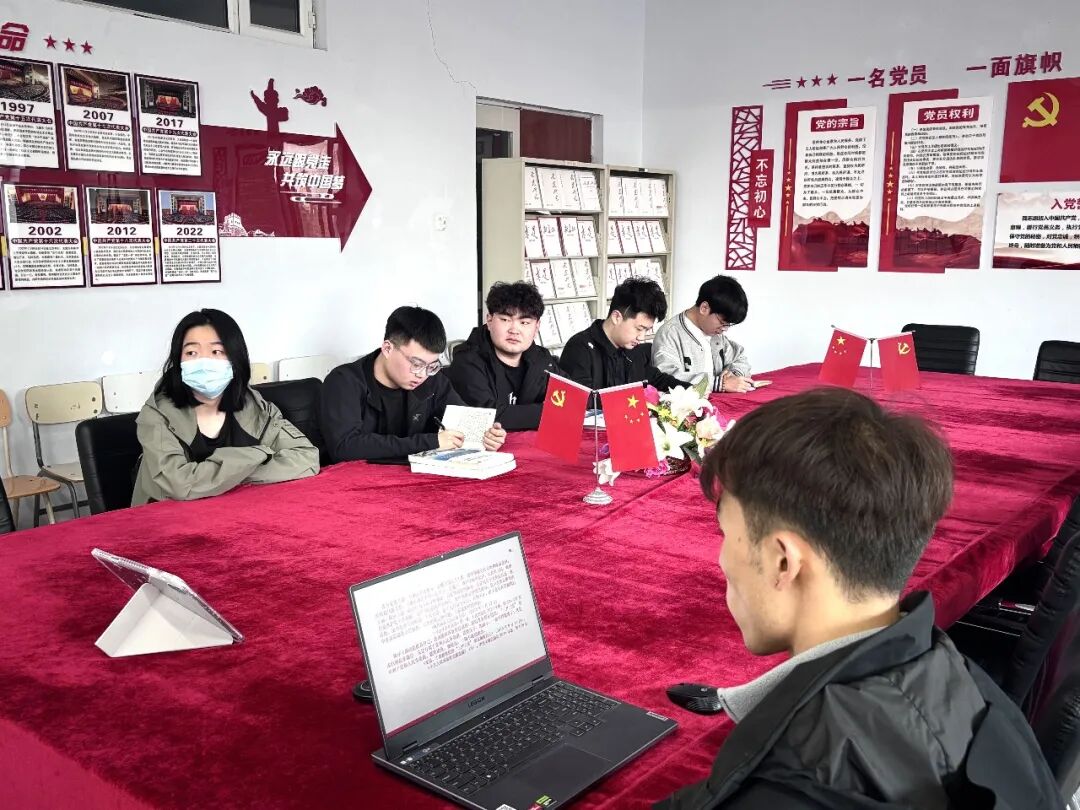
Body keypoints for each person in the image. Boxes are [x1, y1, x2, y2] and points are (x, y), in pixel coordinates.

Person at [658, 387, 1062, 809]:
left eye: (726, 535)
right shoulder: (966, 683)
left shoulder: (793, 780)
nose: (722, 560)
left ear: (784, 561)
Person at [132, 309, 319, 506]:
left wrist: (231, 476)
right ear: (178, 361)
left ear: (235, 359)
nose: (204, 363)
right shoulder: (157, 415)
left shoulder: (256, 407)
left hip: (237, 513)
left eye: (216, 352)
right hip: (168, 518)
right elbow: (180, 484)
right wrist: (255, 457)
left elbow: (306, 457)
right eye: (191, 353)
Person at [321, 306, 506, 462]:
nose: (422, 374)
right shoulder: (344, 382)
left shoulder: (432, 378)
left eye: (431, 366)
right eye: (416, 364)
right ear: (388, 348)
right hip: (354, 483)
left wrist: (486, 435)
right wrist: (431, 442)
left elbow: (463, 420)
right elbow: (345, 447)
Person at [445, 282, 561, 431]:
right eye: (505, 320)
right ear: (489, 320)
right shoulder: (467, 361)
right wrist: (551, 412)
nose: (514, 330)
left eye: (524, 322)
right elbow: (488, 416)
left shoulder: (541, 358)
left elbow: (575, 396)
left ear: (537, 326)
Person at [560, 277, 682, 392]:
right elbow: (582, 400)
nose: (641, 337)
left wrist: (691, 391)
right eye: (639, 328)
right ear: (616, 317)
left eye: (647, 330)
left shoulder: (634, 350)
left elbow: (658, 379)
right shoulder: (579, 349)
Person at [652, 274, 753, 393]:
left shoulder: (716, 335)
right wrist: (719, 384)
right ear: (704, 308)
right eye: (722, 323)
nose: (725, 329)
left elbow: (740, 357)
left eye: (728, 325)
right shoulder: (670, 334)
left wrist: (734, 374)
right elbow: (665, 377)